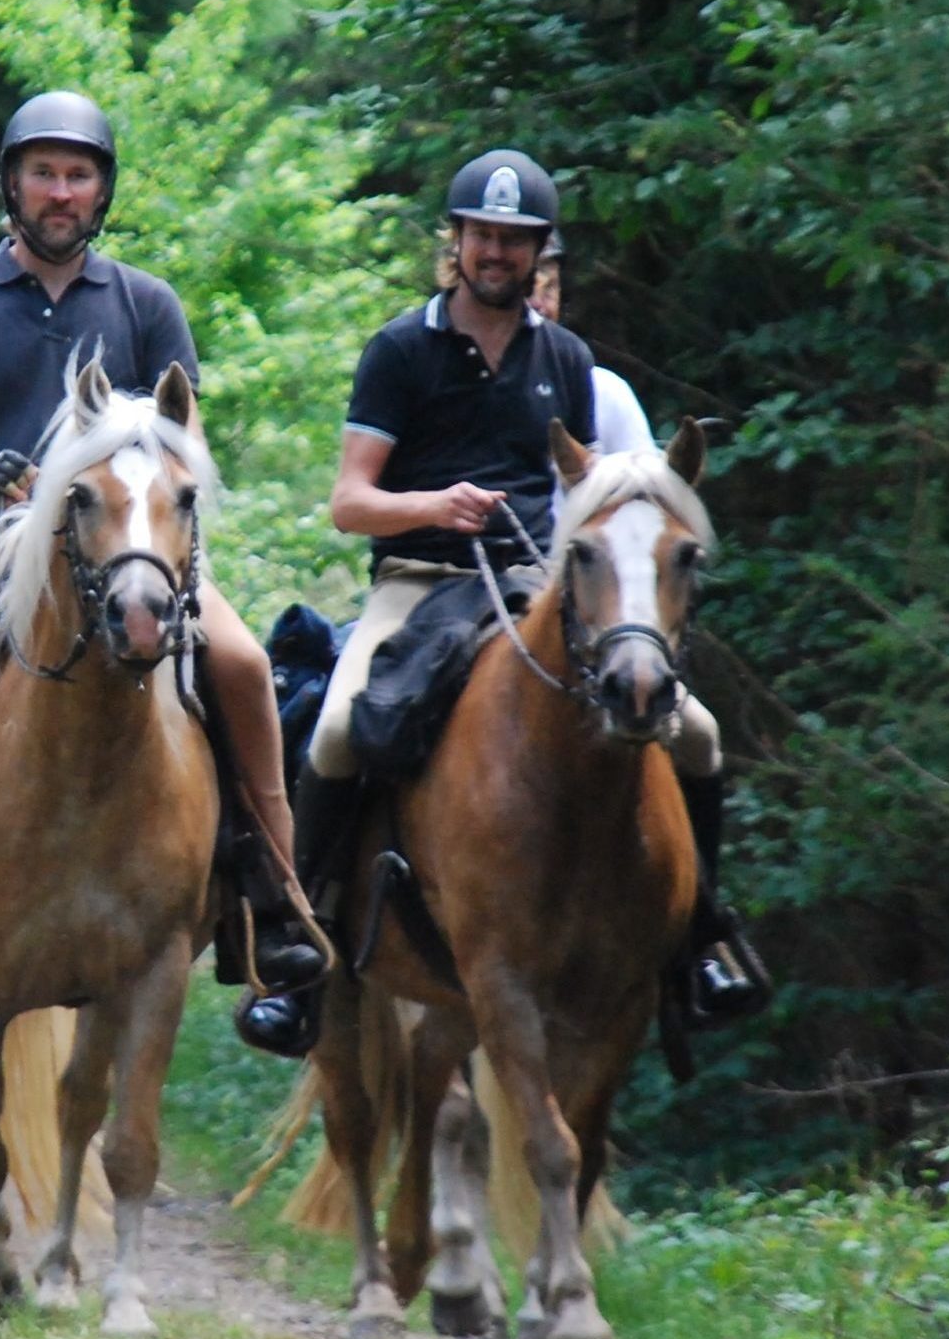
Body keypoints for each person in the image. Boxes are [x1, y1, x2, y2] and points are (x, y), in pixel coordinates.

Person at [238, 150, 765, 1053]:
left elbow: (596, 496)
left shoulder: (566, 357)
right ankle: (304, 944)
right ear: (458, 242)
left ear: (536, 253)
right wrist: (435, 506)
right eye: (482, 235)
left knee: (703, 735)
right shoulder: (402, 351)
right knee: (333, 729)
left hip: (535, 587)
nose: (496, 253)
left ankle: (699, 939)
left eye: (514, 241)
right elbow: (349, 502)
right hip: (418, 582)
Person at [0, 90, 327, 1025]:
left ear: (101, 191)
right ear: (12, 184)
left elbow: (184, 442)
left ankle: (276, 900)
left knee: (239, 663)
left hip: (130, 548)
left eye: (78, 175)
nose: (61, 192)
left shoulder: (146, 303)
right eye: (44, 173)